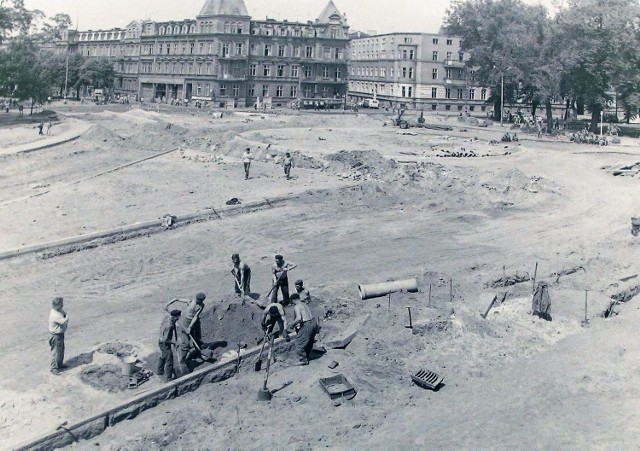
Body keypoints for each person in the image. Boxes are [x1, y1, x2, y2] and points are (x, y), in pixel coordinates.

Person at [166, 292, 206, 364]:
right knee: (185, 342)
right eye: (197, 300)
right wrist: (167, 304)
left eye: (200, 301)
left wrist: (190, 327)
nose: (198, 302)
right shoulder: (190, 301)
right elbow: (176, 299)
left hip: (195, 322)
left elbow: (196, 316)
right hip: (185, 322)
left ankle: (199, 353)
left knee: (197, 339)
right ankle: (183, 360)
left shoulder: (201, 306)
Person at [288, 288, 319, 366]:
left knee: (299, 343)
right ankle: (307, 356)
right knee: (309, 341)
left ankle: (303, 360)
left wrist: (292, 325)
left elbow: (298, 318)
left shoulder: (297, 306)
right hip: (314, 322)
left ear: (293, 300)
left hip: (307, 324)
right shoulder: (304, 304)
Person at [157, 309, 181, 382]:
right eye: (178, 316)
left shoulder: (168, 318)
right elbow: (165, 339)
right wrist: (174, 342)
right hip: (164, 343)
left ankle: (160, 371)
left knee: (163, 355)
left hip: (160, 340)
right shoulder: (169, 326)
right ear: (175, 317)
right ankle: (168, 378)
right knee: (169, 359)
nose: (179, 317)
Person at [48, 297, 69, 375]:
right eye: (60, 305)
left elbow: (64, 314)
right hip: (55, 336)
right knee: (56, 352)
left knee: (61, 350)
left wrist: (65, 315)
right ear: (56, 305)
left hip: (60, 334)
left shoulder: (58, 310)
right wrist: (67, 317)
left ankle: (59, 364)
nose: (62, 306)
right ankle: (53, 368)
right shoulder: (54, 314)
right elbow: (64, 321)